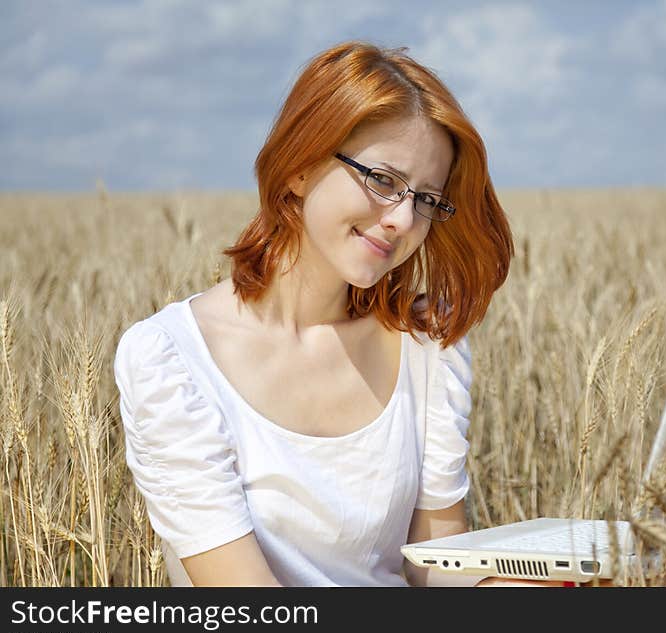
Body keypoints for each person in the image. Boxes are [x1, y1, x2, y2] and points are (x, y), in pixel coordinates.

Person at [114, 40, 574, 587]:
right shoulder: (172, 362)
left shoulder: (425, 345)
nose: (403, 219)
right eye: (382, 180)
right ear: (300, 166)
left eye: (426, 199)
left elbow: (440, 574)